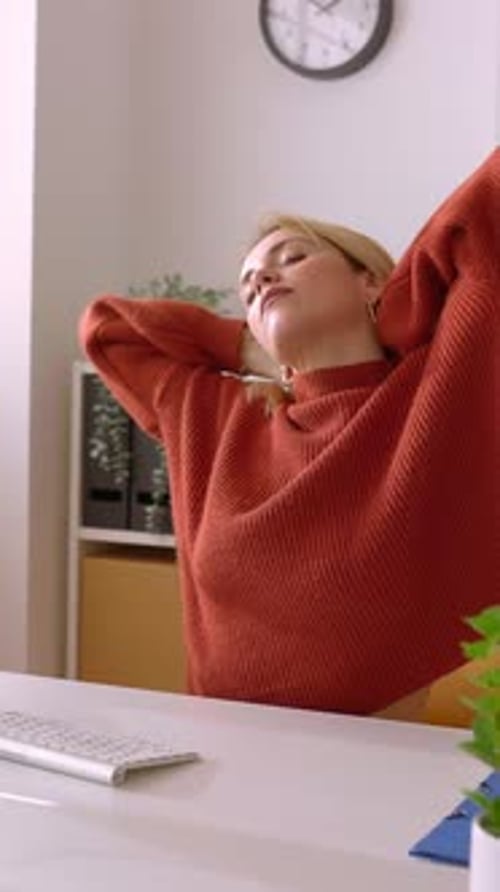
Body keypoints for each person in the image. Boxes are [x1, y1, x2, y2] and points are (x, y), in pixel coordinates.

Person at [80, 148, 498, 719]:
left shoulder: (434, 392)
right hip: (223, 748)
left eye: (293, 257)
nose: (262, 280)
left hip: (373, 754)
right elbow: (106, 329)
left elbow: (481, 219)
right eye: (248, 286)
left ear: (369, 281)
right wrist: (248, 345)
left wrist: (401, 312)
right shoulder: (217, 418)